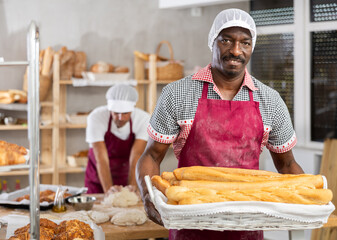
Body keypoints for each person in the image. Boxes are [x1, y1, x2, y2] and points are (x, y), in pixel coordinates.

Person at [136, 8, 304, 240]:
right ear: (212, 41)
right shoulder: (178, 94)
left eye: (245, 42)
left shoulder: (270, 101)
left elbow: (287, 166)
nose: (236, 50)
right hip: (190, 225)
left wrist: (310, 200)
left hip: (247, 226)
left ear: (251, 47)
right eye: (226, 40)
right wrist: (148, 196)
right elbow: (152, 156)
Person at [85, 84, 150, 194]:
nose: (120, 118)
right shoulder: (96, 117)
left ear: (132, 109)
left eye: (125, 113)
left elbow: (136, 156)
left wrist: (132, 187)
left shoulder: (143, 119)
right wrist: (108, 190)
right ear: (110, 109)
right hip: (98, 177)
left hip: (126, 174)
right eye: (116, 113)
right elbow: (101, 157)